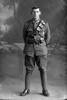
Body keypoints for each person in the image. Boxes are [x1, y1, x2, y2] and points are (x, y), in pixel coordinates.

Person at [20, 6, 51, 96]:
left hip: (41, 50)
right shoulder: (26, 24)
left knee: (43, 69)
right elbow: (24, 36)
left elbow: (48, 37)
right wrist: (30, 43)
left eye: (37, 12)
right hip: (30, 50)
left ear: (40, 13)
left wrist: (43, 45)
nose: (35, 13)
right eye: (33, 12)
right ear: (31, 13)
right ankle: (26, 89)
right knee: (28, 70)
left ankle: (45, 90)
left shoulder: (45, 24)